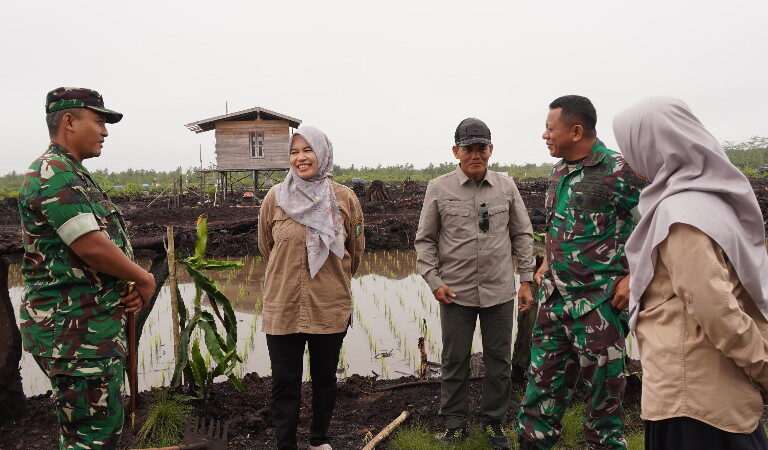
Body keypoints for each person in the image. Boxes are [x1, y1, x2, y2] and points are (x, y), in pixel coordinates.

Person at [613, 96, 768, 450]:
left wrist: (764, 368)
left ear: (653, 145)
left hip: (694, 398)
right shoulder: (713, 198)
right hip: (713, 389)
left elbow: (716, 309)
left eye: (630, 146)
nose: (627, 158)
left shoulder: (680, 215)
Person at [18, 87, 156, 449]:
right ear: (69, 121)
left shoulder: (72, 172)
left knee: (95, 430)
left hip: (87, 330)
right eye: (98, 121)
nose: (105, 131)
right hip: (75, 335)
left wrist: (122, 285)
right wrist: (143, 278)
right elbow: (91, 246)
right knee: (92, 437)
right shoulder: (54, 173)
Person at [516, 95, 643, 450]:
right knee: (539, 393)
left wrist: (634, 278)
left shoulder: (620, 171)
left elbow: (657, 228)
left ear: (575, 131)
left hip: (598, 306)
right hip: (554, 303)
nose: (544, 135)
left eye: (550, 128)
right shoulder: (559, 172)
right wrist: (546, 261)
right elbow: (558, 227)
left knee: (604, 404)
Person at [415, 117, 535, 449]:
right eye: (468, 149)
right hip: (455, 292)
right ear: (456, 151)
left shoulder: (506, 187)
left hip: (500, 290)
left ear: (490, 150)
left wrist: (526, 280)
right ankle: (455, 424)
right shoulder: (439, 188)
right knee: (455, 360)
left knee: (499, 361)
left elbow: (522, 234)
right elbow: (425, 240)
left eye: (481, 148)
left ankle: (494, 422)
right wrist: (434, 282)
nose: (475, 155)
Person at [258, 126, 364, 450]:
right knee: (284, 382)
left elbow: (356, 252)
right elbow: (266, 247)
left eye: (308, 150)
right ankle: (286, 444)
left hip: (328, 305)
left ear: (323, 154)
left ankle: (319, 440)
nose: (300, 158)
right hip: (283, 304)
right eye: (294, 152)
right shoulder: (275, 198)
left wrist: (331, 279)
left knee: (325, 379)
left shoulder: (345, 199)